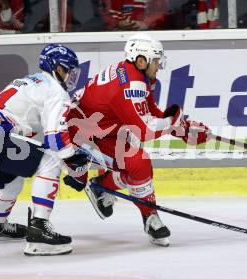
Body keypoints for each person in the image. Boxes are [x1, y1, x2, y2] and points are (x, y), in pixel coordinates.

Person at [63, 33, 211, 247]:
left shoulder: (139, 76)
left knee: (138, 163)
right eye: (156, 60)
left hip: (106, 130)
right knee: (138, 161)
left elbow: (151, 114)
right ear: (141, 60)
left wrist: (184, 128)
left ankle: (105, 190)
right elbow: (144, 130)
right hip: (82, 136)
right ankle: (147, 214)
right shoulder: (130, 83)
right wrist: (175, 124)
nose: (159, 66)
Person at [0, 43, 81, 256]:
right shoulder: (55, 90)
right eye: (68, 70)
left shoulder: (31, 81)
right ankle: (40, 230)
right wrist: (72, 160)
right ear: (57, 68)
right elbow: (55, 139)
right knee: (51, 160)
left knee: (11, 180)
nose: (70, 76)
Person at [101, 0, 169, 31]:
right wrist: (118, 23)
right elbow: (103, 16)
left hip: (150, 36)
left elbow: (163, 14)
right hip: (119, 36)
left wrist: (146, 24)